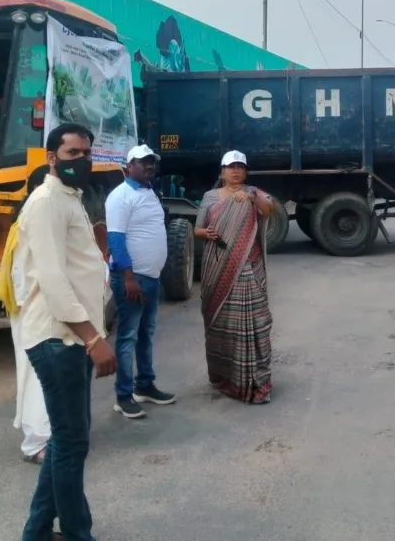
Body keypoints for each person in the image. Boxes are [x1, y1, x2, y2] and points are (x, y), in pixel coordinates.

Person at [14, 122, 118, 541]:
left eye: (87, 153)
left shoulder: (68, 198)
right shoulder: (45, 203)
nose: (82, 160)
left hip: (70, 339)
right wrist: (94, 338)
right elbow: (53, 281)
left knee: (65, 440)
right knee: (73, 443)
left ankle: (38, 531)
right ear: (51, 158)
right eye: (73, 153)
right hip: (60, 339)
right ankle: (77, 533)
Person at [193, 150, 276, 405]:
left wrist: (251, 197)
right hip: (217, 266)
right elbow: (197, 229)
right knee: (221, 322)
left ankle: (257, 382)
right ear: (222, 172)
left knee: (257, 322)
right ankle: (225, 378)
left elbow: (269, 209)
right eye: (231, 167)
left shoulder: (253, 192)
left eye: (240, 167)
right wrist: (207, 233)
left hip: (248, 268)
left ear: (246, 172)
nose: (236, 171)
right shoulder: (210, 197)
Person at [105, 144, 176, 419]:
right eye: (142, 162)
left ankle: (144, 385)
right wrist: (128, 277)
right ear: (129, 167)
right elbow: (115, 240)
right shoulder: (120, 196)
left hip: (151, 277)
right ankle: (123, 397)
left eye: (151, 162)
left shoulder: (149, 192)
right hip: (132, 280)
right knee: (128, 337)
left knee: (146, 334)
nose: (149, 166)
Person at [0, 163, 52, 463]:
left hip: (41, 313)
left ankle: (49, 435)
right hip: (33, 313)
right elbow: (22, 277)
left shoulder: (36, 220)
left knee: (46, 378)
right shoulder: (29, 224)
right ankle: (35, 443)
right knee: (35, 378)